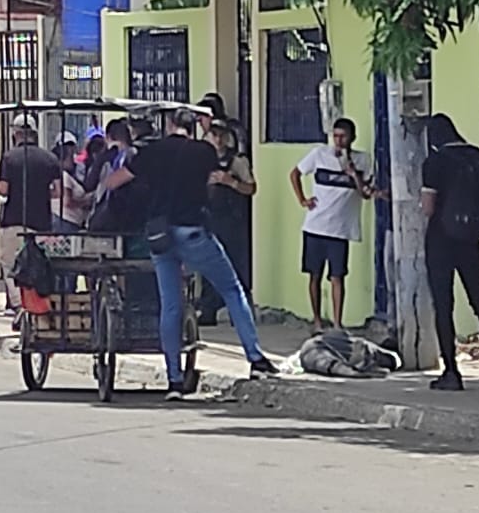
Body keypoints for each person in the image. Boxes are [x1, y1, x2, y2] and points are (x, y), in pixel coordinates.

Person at [101, 106, 277, 396]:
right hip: (193, 231)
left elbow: (114, 181)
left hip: (159, 235)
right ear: (193, 125)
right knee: (232, 290)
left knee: (170, 304)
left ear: (169, 123)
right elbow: (211, 182)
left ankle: (174, 379)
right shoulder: (203, 152)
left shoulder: (151, 152)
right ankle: (255, 358)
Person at [420, 114, 479, 391]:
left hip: (440, 240)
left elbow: (429, 207)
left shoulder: (434, 162)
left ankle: (451, 373)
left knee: (444, 306)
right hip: (471, 239)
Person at [290, 117, 374, 331]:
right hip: (316, 225)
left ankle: (337, 322)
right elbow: (295, 173)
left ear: (351, 138)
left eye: (342, 136)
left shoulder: (363, 160)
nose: (338, 140)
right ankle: (317, 320)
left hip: (341, 229)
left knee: (337, 276)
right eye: (335, 136)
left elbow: (365, 193)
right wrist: (302, 199)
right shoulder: (319, 154)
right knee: (314, 275)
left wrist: (352, 172)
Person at [0, 118, 63, 307]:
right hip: (42, 222)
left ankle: (20, 306)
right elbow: (58, 191)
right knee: (38, 267)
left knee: (11, 266)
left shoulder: (9, 158)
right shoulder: (50, 158)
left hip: (14, 221)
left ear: (15, 133)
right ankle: (39, 305)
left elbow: (3, 188)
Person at [198, 118, 256, 326]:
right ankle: (208, 310)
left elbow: (251, 189)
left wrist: (230, 181)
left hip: (232, 221)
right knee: (208, 266)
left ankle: (237, 312)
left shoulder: (238, 161)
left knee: (236, 266)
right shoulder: (201, 160)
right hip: (208, 219)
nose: (218, 139)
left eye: (221, 134)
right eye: (214, 134)